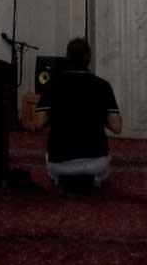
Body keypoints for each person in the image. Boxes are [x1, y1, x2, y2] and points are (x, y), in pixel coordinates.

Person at [33, 36, 122, 190]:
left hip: (59, 163)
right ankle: (94, 179)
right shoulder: (103, 86)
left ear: (67, 58)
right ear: (89, 59)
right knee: (103, 164)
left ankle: (60, 178)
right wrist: (99, 117)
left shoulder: (53, 84)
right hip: (96, 163)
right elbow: (117, 127)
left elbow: (38, 123)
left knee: (52, 161)